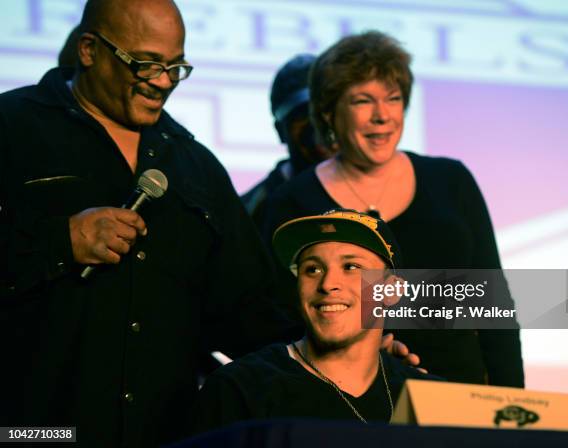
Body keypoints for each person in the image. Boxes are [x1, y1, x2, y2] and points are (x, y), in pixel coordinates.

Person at [0, 0, 292, 446]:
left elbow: (250, 311)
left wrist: (345, 347)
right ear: (89, 50)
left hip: (165, 437)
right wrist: (60, 240)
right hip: (34, 433)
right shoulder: (12, 127)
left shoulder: (196, 167)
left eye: (176, 66)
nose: (162, 82)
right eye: (146, 64)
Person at [262, 31, 524, 387]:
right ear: (328, 112)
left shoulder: (451, 180)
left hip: (460, 396)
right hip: (344, 404)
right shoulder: (292, 201)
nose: (382, 116)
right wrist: (357, 345)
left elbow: (495, 308)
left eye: (393, 98)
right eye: (362, 101)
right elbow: (279, 322)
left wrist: (512, 408)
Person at [194, 209, 439, 431]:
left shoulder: (427, 395)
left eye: (351, 267)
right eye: (313, 269)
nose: (328, 283)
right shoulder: (240, 389)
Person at [242, 54, 335, 230]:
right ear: (280, 130)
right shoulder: (249, 213)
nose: (320, 125)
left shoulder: (383, 193)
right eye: (303, 114)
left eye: (329, 110)